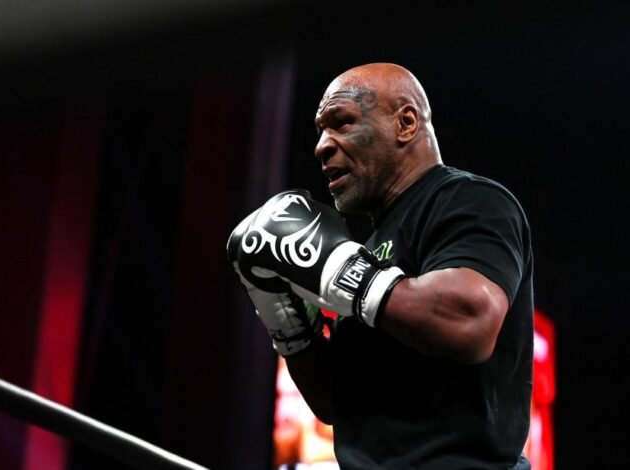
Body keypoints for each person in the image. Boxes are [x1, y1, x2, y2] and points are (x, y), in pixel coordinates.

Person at [227, 63, 533, 469]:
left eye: (342, 123)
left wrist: (345, 273)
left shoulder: (470, 200)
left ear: (405, 123)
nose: (321, 146)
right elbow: (336, 405)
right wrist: (288, 324)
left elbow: (469, 322)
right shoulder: (367, 249)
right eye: (320, 131)